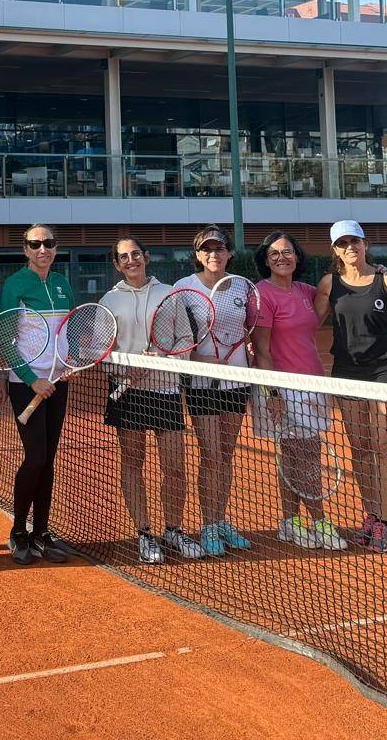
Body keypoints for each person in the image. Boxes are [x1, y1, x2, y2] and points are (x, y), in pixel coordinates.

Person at [314, 220, 387, 554]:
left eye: (355, 241)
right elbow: (306, 325)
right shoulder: (328, 284)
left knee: (383, 444)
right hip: (347, 372)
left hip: (386, 371)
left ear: (366, 244)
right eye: (343, 243)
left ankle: (383, 523)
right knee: (360, 447)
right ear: (335, 250)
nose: (350, 247)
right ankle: (371, 516)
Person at [101, 236, 203, 564]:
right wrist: (124, 368)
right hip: (128, 393)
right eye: (123, 257)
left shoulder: (169, 294)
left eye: (136, 254)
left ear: (146, 257)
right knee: (133, 464)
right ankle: (144, 533)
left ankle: (173, 529)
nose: (131, 260)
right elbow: (102, 350)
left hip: (166, 391)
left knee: (175, 467)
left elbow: (185, 339)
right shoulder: (109, 300)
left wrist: (166, 362)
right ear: (117, 264)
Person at [250, 231, 347, 551]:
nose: (282, 258)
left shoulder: (306, 291)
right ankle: (320, 522)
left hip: (313, 384)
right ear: (266, 260)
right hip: (282, 388)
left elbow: (339, 286)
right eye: (274, 253)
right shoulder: (262, 295)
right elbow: (261, 349)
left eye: (287, 252)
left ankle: (290, 523)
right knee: (307, 456)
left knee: (293, 456)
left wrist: (378, 270)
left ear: (297, 256)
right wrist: (273, 394)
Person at [172, 225, 254, 556]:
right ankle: (207, 525)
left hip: (237, 381)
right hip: (201, 383)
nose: (213, 254)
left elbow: (249, 330)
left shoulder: (243, 287)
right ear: (197, 255)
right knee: (211, 454)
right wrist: (200, 359)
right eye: (206, 249)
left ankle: (220, 521)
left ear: (229, 253)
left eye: (219, 248)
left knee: (226, 453)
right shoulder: (184, 288)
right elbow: (175, 337)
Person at [0, 224, 72, 565]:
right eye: (35, 244)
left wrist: (71, 360)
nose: (43, 249)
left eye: (49, 243)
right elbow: (4, 339)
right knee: (36, 457)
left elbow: (71, 330)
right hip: (26, 384)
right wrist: (30, 379)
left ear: (55, 247)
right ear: (25, 249)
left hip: (59, 382)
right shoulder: (15, 285)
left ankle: (41, 532)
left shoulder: (62, 283)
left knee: (48, 458)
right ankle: (18, 532)